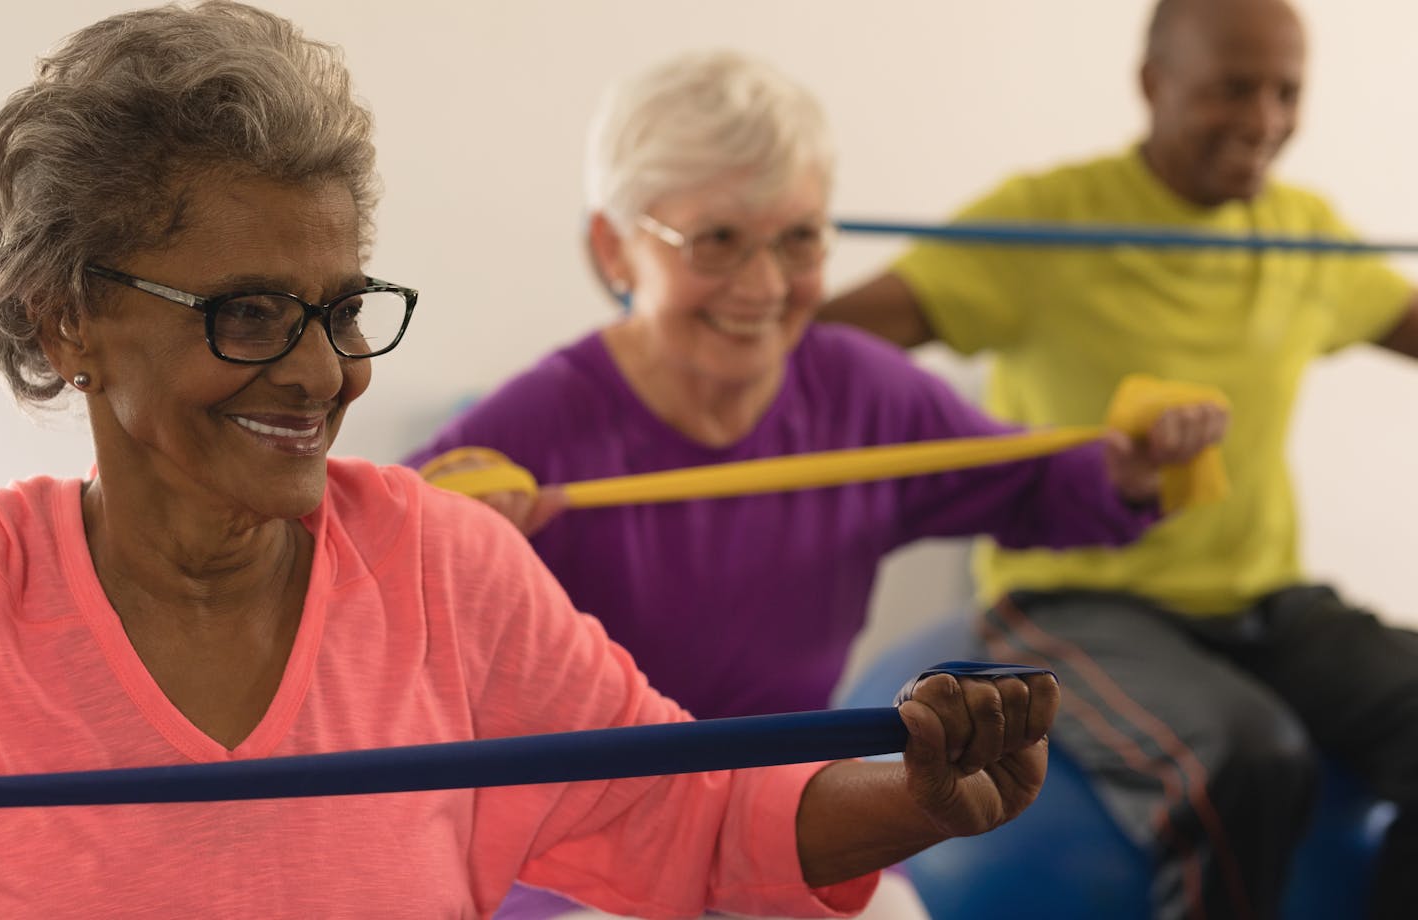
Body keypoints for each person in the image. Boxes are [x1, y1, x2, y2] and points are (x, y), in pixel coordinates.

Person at [0, 4, 1060, 919]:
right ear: (67, 321)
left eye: (333, 306)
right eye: (248, 314)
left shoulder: (446, 573)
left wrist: (922, 795)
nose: (321, 371)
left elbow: (704, 823)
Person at [403, 50, 1224, 920]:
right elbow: (351, 573)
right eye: (717, 241)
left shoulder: (864, 393)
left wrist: (1131, 467)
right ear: (614, 246)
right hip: (585, 861)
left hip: (789, 831)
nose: (763, 287)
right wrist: (442, 546)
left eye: (798, 241)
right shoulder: (533, 426)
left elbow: (1032, 483)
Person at [819, 1, 1418, 917]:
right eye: (1232, 89)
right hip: (1074, 593)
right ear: (1154, 84)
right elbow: (826, 345)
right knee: (1246, 758)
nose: (1263, 120)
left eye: (1285, 92)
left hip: (1261, 600)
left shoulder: (1303, 235)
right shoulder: (1048, 223)